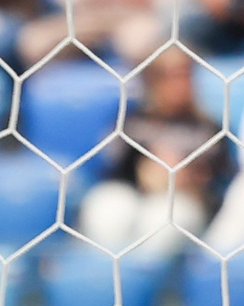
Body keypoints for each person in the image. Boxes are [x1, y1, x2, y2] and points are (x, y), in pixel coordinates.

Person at [90, 53, 224, 258]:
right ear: (153, 81)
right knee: (109, 205)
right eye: (172, 77)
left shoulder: (207, 128)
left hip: (182, 201)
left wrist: (184, 177)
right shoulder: (130, 123)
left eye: (186, 77)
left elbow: (217, 178)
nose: (182, 85)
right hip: (134, 195)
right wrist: (144, 168)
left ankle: (143, 282)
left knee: (164, 218)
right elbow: (112, 169)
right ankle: (108, 276)